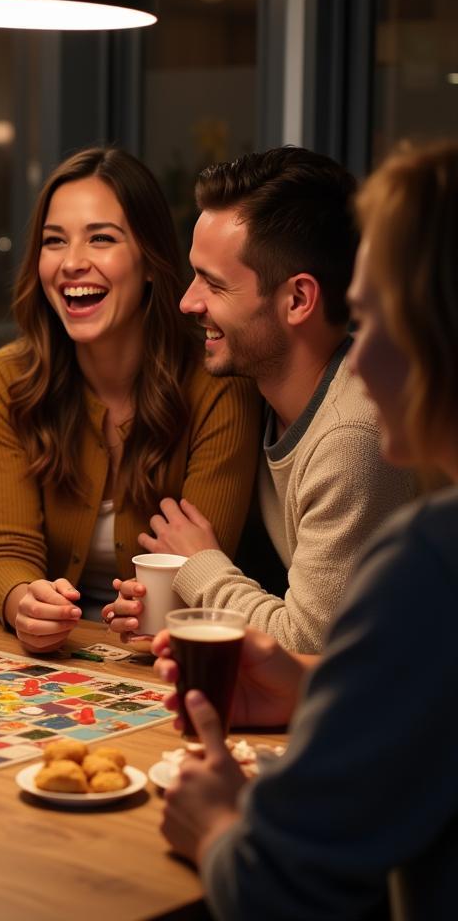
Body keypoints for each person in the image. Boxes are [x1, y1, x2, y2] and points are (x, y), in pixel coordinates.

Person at [154, 141, 458, 920]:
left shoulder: (431, 551)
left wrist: (217, 823)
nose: (360, 362)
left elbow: (282, 890)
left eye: (376, 319)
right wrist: (316, 685)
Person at [107, 146, 417, 653]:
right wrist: (168, 614)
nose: (188, 301)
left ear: (297, 300)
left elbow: (308, 648)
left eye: (214, 282)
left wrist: (199, 566)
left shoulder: (353, 436)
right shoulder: (255, 392)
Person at [0, 147, 260, 652]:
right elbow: (6, 550)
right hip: (58, 661)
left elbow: (204, 567)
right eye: (53, 242)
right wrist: (25, 604)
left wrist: (154, 609)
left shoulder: (218, 382)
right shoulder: (7, 379)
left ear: (150, 261)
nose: (72, 263)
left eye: (101, 239)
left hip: (179, 653)